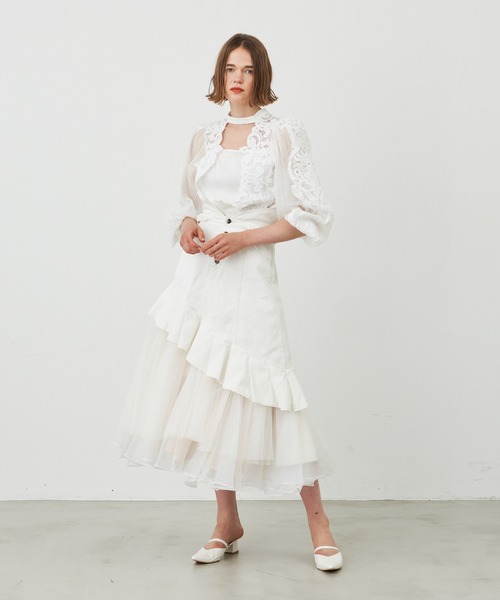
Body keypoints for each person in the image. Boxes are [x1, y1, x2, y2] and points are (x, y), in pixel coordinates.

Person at [113, 33, 343, 572]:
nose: (237, 78)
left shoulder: (283, 133)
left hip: (250, 271)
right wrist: (188, 228)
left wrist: (245, 239)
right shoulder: (203, 136)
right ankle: (226, 522)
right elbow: (187, 204)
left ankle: (319, 525)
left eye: (247, 69)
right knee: (208, 387)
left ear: (262, 76)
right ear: (219, 75)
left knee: (270, 384)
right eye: (229, 68)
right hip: (200, 276)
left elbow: (311, 214)